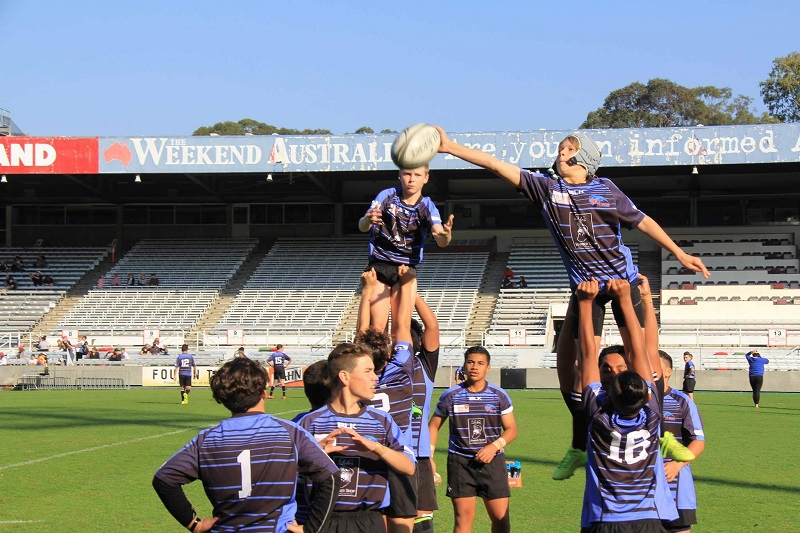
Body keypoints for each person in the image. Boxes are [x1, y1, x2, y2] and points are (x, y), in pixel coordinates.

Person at [436, 125, 708, 365]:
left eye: (568, 149)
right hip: (586, 288)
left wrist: (679, 252)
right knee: (584, 359)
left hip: (623, 280)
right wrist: (450, 148)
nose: (561, 153)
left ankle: (645, 411)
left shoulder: (606, 189)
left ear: (584, 159)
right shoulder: (547, 189)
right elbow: (495, 164)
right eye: (560, 149)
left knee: (641, 356)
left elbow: (643, 221)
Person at [153, 357, 340, 533]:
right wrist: (312, 528)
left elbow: (164, 479)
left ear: (222, 398)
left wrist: (195, 524)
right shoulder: (290, 432)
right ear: (263, 392)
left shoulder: (206, 440)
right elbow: (330, 477)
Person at [577, 278, 678, 531]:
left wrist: (587, 303)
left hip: (607, 519)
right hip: (648, 518)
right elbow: (639, 351)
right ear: (647, 395)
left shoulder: (599, 415)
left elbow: (588, 353)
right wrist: (625, 299)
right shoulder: (653, 413)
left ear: (608, 393)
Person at [297, 343, 416, 533]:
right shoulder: (310, 422)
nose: (375, 377)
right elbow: (285, 472)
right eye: (368, 371)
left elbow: (409, 467)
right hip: (321, 520)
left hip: (368, 520)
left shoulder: (382, 421)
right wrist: (314, 454)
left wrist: (377, 448)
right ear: (345, 376)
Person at [358, 164, 454, 337]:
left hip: (405, 270)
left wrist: (445, 235)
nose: (411, 179)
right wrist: (367, 219)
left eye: (417, 175)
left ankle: (399, 363)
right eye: (407, 174)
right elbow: (363, 226)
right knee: (377, 329)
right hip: (380, 265)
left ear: (426, 178)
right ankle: (379, 363)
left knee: (400, 328)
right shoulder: (387, 195)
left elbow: (441, 239)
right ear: (399, 175)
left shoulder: (428, 206)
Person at [428, 346, 517, 533]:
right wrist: (429, 457)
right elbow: (433, 426)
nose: (475, 367)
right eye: (470, 362)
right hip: (460, 464)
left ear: (488, 368)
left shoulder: (499, 395)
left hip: (493, 463)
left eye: (480, 363)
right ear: (465, 365)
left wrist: (494, 447)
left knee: (501, 520)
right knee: (462, 521)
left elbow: (511, 429)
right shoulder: (451, 396)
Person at [357, 267, 418, 533]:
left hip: (365, 457)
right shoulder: (401, 369)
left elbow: (360, 335)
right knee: (402, 525)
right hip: (399, 455)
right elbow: (403, 324)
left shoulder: (359, 378)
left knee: (370, 523)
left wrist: (367, 291)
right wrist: (408, 282)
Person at [660, 351, 706, 533]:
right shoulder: (634, 402)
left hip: (676, 487)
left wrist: (677, 465)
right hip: (641, 489)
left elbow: (698, 442)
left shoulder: (681, 401)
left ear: (668, 371)